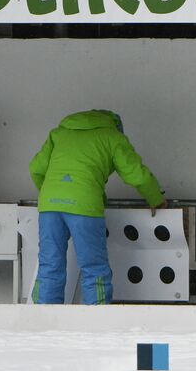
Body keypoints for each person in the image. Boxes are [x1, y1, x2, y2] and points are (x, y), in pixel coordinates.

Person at [29, 110, 167, 305]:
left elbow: (35, 169)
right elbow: (137, 175)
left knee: (49, 266)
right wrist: (155, 198)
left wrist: (53, 196)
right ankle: (97, 323)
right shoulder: (112, 137)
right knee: (93, 269)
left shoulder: (59, 134)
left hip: (49, 206)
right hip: (84, 205)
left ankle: (43, 322)